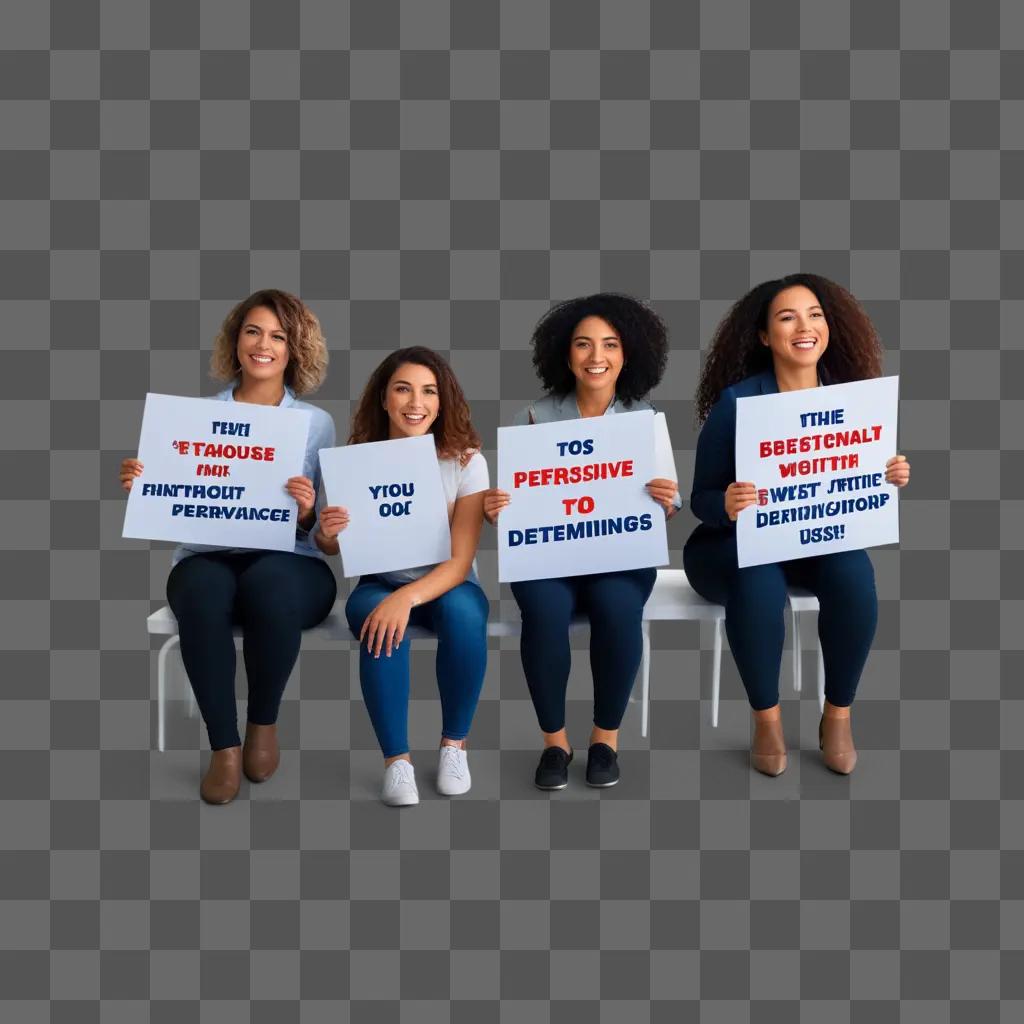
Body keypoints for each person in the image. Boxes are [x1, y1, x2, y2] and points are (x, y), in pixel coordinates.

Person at [684, 273, 911, 776]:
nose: (803, 327)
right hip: (731, 543)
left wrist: (888, 473)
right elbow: (699, 499)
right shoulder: (737, 403)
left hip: (814, 537)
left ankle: (838, 715)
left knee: (855, 576)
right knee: (759, 580)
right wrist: (727, 501)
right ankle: (767, 719)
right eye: (787, 317)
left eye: (814, 315)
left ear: (829, 327)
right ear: (766, 336)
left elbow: (856, 480)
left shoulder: (852, 399)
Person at [120, 290, 338, 804]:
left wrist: (306, 512)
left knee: (270, 585)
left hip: (289, 560)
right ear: (236, 341)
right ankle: (225, 748)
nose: (264, 345)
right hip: (207, 555)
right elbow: (178, 497)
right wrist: (146, 483)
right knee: (201, 592)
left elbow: (326, 537)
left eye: (279, 336)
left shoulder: (316, 424)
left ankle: (263, 722)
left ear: (294, 349)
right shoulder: (193, 418)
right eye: (253, 331)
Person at [483, 293, 679, 790]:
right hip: (550, 557)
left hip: (618, 556)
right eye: (584, 345)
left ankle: (604, 741)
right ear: (565, 354)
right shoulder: (532, 417)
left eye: (610, 345)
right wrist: (497, 508)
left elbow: (668, 509)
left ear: (627, 354)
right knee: (544, 613)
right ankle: (555, 743)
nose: (597, 357)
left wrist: (666, 499)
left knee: (617, 607)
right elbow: (517, 506)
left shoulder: (647, 420)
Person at [315, 347, 489, 807]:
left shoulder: (467, 461)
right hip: (378, 581)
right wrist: (328, 535)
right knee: (375, 618)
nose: (417, 402)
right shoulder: (357, 459)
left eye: (429, 391)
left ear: (442, 400)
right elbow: (334, 546)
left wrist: (407, 598)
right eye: (404, 389)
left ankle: (455, 746)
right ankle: (398, 762)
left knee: (465, 617)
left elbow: (460, 559)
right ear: (385, 400)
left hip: (449, 581)